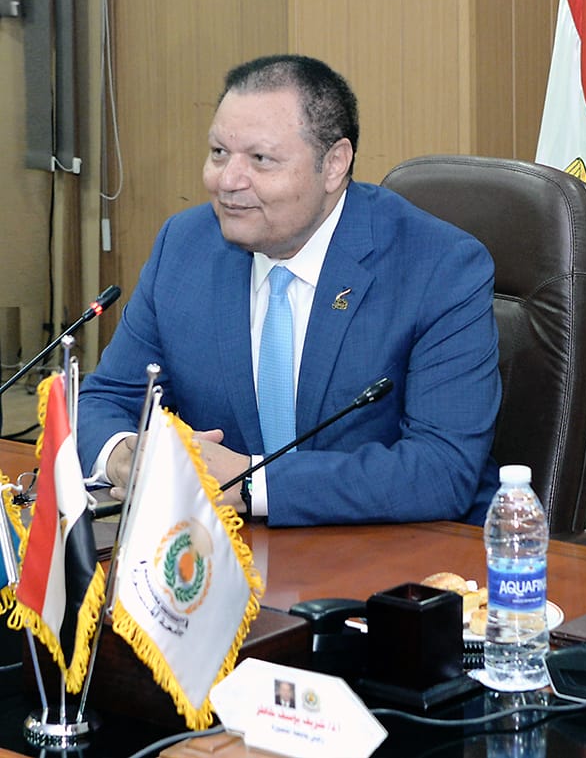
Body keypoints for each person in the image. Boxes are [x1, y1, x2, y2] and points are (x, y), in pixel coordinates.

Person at [77, 55, 502, 526]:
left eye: (260, 159)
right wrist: (125, 456)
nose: (227, 181)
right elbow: (104, 399)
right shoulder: (184, 245)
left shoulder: (438, 265)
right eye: (218, 153)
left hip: (400, 548)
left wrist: (252, 484)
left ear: (334, 164)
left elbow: (442, 469)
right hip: (224, 551)